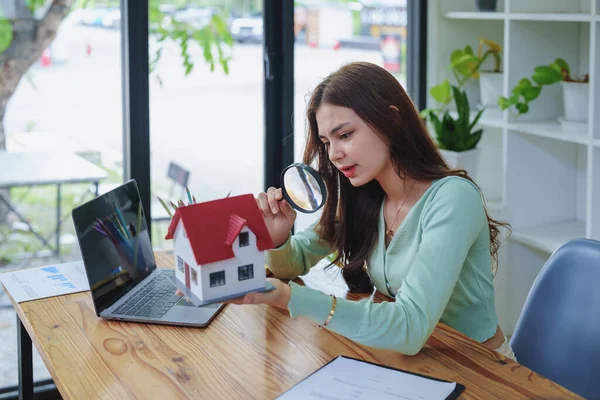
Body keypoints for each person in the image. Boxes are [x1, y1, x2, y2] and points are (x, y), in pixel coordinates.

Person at [203, 62, 515, 360]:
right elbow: (294, 264)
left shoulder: (453, 199)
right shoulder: (366, 196)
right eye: (326, 142)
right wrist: (278, 239)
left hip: (480, 369)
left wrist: (289, 298)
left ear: (391, 120)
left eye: (345, 135)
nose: (334, 154)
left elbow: (410, 326)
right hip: (412, 361)